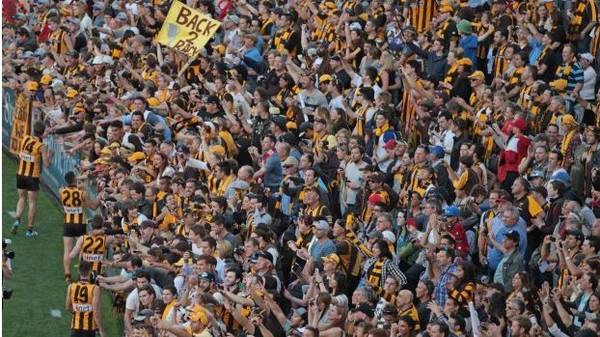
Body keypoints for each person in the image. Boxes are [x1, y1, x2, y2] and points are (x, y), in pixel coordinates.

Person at [12, 121, 50, 237]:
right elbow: (47, 164)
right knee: (32, 202)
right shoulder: (41, 146)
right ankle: (29, 231)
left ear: (34, 130)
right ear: (42, 133)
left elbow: (19, 154)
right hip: (32, 176)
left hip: (20, 173)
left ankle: (17, 219)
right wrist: (50, 155)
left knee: (21, 198)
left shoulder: (25, 138)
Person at [66, 261, 105, 337]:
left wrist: (78, 313)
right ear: (90, 271)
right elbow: (96, 312)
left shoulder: (71, 287)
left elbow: (67, 307)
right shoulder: (95, 288)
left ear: (78, 271)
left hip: (75, 327)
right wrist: (101, 329)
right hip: (89, 329)